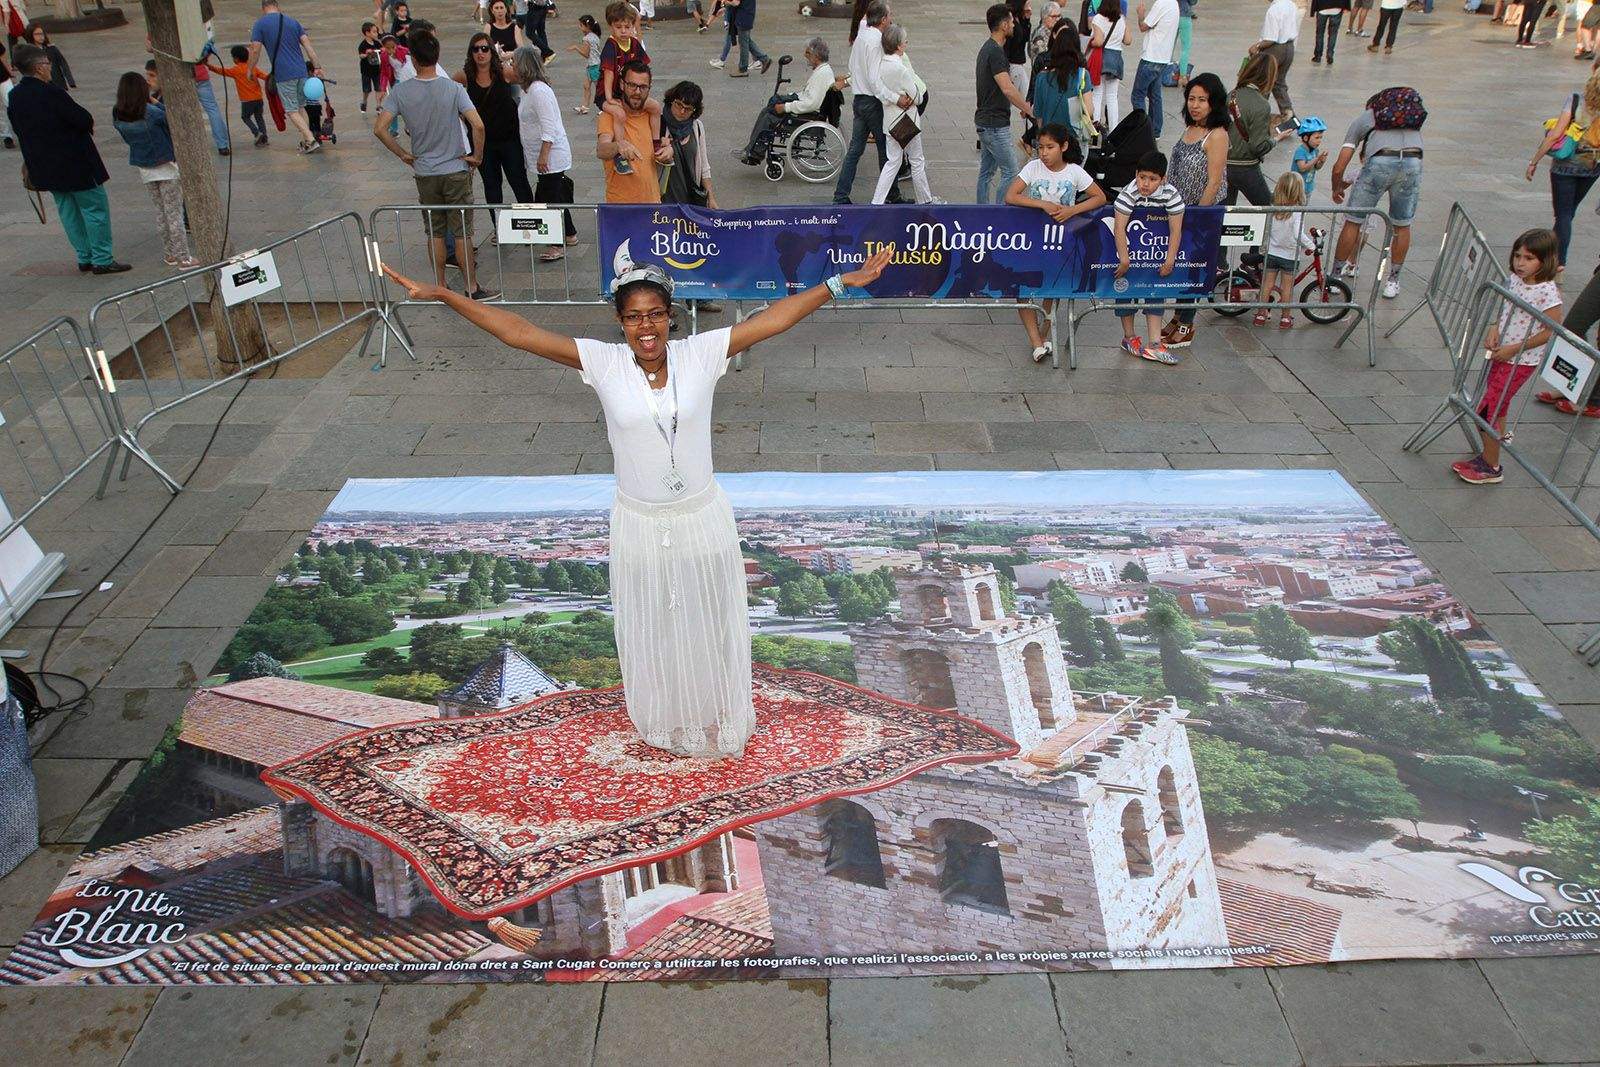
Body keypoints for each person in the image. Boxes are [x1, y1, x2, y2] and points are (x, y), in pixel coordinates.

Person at [380, 249, 894, 757]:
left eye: (654, 315)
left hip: (700, 518)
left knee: (706, 621)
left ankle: (715, 710)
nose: (645, 328)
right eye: (633, 318)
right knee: (655, 625)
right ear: (619, 322)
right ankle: (667, 717)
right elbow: (518, 332)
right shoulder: (602, 363)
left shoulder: (701, 353)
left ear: (671, 316)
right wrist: (445, 294)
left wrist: (839, 284)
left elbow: (775, 319)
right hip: (641, 522)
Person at [373, 29, 493, 299]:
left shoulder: (401, 92)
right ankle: (471, 286)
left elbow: (380, 128)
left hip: (425, 171)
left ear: (413, 59)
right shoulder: (452, 88)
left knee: (435, 232)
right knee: (462, 232)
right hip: (455, 169)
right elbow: (478, 125)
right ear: (436, 56)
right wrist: (477, 155)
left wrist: (403, 154)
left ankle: (440, 284)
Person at [1453, 229, 1563, 484]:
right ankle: (1487, 456)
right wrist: (1494, 328)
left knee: (1486, 410)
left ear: (1544, 261)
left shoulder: (1547, 292)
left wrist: (1516, 348)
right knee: (1497, 407)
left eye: (1528, 258)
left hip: (1520, 361)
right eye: (1517, 256)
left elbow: (1552, 330)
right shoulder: (1514, 280)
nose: (1520, 263)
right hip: (1502, 354)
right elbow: (1504, 308)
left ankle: (1492, 466)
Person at [6, 44, 128, 273]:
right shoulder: (52, 93)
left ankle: (84, 255)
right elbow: (82, 119)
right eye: (47, 63)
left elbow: (18, 128)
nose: (50, 67)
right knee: (94, 208)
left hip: (46, 166)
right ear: (40, 67)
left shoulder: (15, 96)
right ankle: (102, 258)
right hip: (76, 163)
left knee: (68, 211)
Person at [1006, 122, 1107, 361]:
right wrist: (1042, 204)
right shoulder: (1033, 168)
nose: (1044, 153)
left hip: (1063, 241)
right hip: (1032, 238)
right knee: (1022, 288)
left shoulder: (1074, 171)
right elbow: (1011, 195)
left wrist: (1073, 210)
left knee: (1054, 287)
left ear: (1063, 146)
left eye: (1049, 147)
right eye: (1040, 147)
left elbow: (1099, 197)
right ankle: (1035, 341)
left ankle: (1044, 333)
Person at [1330, 87, 1425, 297]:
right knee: (1402, 224)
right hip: (1413, 162)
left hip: (1380, 162)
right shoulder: (1410, 119)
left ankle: (1335, 277)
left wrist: (1337, 187)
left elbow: (1340, 165)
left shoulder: (1367, 117)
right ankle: (1393, 281)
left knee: (1353, 221)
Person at [1161, 70, 1228, 348]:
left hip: (1202, 212)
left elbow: (1213, 182)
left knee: (1193, 266)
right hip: (1180, 209)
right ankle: (1178, 317)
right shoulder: (1190, 129)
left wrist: (1198, 216)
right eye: (1192, 98)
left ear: (1214, 103)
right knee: (1181, 265)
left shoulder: (1217, 134)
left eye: (1202, 100)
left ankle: (1187, 324)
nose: (1195, 105)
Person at [110, 71, 198, 269]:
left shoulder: (118, 113)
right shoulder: (151, 112)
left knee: (161, 212)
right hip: (165, 165)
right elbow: (173, 119)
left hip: (144, 165)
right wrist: (156, 102)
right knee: (174, 212)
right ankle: (184, 257)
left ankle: (169, 254)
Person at [1114, 150, 1185, 364]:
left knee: (1156, 291)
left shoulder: (1171, 194)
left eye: (1153, 179)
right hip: (1128, 252)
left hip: (1155, 254)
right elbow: (1119, 228)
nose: (1145, 183)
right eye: (1142, 177)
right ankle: (1129, 337)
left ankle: (1154, 343)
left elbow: (1176, 230)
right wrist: (1124, 259)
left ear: (1163, 179)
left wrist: (1170, 259)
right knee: (1124, 292)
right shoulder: (1128, 193)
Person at [455, 32, 535, 211]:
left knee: (519, 182)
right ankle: (498, 229)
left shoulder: (504, 72)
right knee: (492, 187)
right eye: (475, 49)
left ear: (492, 51)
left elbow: (530, 79)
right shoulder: (464, 76)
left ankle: (532, 225)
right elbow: (447, 92)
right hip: (483, 143)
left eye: (484, 48)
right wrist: (460, 115)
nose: (480, 53)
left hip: (509, 139)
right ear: (471, 53)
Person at [1527, 71, 1600, 266]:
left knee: (1564, 214)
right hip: (1592, 167)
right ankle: (1554, 250)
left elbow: (1555, 134)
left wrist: (1534, 161)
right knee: (1568, 212)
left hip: (1564, 166)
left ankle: (1559, 262)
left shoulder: (1575, 100)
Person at [511, 46, 577, 260]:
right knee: (553, 194)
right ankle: (570, 233)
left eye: (514, 63)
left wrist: (543, 156)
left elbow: (550, 128)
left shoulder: (539, 91)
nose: (511, 66)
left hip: (550, 156)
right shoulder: (527, 89)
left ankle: (555, 244)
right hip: (541, 155)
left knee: (548, 198)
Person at [834, 1, 901, 204]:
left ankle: (840, 195)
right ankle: (891, 195)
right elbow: (875, 77)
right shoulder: (876, 41)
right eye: (889, 16)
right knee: (886, 150)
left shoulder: (862, 36)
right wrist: (894, 98)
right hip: (872, 102)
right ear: (882, 19)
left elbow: (853, 68)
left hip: (859, 100)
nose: (891, 19)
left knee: (855, 149)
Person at [741, 35, 833, 164]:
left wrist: (786, 107)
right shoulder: (822, 71)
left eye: (808, 53)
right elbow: (809, 96)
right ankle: (752, 149)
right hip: (806, 105)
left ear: (816, 56)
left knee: (768, 116)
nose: (805, 56)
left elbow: (811, 103)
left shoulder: (822, 74)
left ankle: (754, 153)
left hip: (808, 114)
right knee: (771, 104)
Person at [872, 24, 937, 204]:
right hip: (908, 121)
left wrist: (893, 98)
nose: (906, 43)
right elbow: (918, 97)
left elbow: (878, 89)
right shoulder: (901, 68)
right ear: (899, 46)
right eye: (905, 41)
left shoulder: (880, 64)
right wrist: (908, 96)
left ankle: (877, 202)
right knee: (917, 161)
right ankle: (925, 200)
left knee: (892, 162)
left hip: (890, 122)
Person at [976, 3, 1034, 204]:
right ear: (1003, 25)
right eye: (1011, 21)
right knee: (1011, 171)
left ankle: (981, 212)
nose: (1013, 24)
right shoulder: (995, 53)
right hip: (994, 124)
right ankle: (998, 215)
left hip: (985, 121)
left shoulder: (988, 48)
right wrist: (1028, 109)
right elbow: (1008, 88)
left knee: (986, 172)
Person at [250, 0, 322, 154]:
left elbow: (255, 51)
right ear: (277, 6)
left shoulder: (260, 24)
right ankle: (306, 142)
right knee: (301, 106)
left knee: (291, 110)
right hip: (301, 71)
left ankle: (310, 139)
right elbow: (308, 47)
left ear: (263, 8)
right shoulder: (292, 22)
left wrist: (250, 69)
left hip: (284, 74)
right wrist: (317, 67)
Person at [599, 2, 661, 174]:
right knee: (618, 114)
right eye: (619, 27)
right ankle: (620, 153)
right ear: (611, 26)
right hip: (605, 93)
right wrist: (609, 98)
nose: (623, 31)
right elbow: (609, 74)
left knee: (655, 107)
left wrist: (642, 91)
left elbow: (644, 67)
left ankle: (656, 145)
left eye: (627, 26)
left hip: (627, 91)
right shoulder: (610, 46)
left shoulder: (634, 43)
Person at [598, 59, 672, 203]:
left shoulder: (653, 116)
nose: (637, 92)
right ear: (621, 85)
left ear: (649, 88)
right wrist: (618, 145)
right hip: (622, 208)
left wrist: (669, 151)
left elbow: (666, 145)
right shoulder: (610, 116)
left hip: (653, 204)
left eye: (643, 87)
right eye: (632, 85)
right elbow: (601, 150)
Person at [1252, 172, 1314, 329]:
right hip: (1289, 256)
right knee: (1287, 288)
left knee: (1267, 285)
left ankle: (1260, 314)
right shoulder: (1297, 211)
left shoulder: (1274, 208)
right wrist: (1311, 245)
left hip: (1272, 252)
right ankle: (1285, 318)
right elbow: (1297, 234)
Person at [1224, 52, 1287, 206]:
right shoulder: (1261, 104)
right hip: (1246, 167)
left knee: (1224, 214)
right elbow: (1258, 146)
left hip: (1223, 165)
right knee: (1267, 209)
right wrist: (1275, 140)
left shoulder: (1231, 95)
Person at [1029, 24, 1093, 146]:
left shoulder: (1042, 77)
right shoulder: (1082, 75)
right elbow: (1089, 110)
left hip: (1050, 140)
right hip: (1074, 139)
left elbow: (1038, 114)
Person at [661, 80, 719, 208]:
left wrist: (711, 198)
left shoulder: (697, 127)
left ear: (694, 110)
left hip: (690, 202)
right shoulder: (658, 125)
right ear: (671, 100)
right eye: (678, 104)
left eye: (688, 109)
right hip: (663, 203)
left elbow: (704, 165)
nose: (682, 111)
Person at [1132, 0, 1179, 137]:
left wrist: (1140, 14)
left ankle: (1141, 130)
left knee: (1138, 96)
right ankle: (1155, 130)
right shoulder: (1174, 4)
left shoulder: (1161, 3)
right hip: (1163, 58)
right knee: (1155, 95)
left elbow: (1143, 26)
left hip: (1151, 57)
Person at [209, 44, 269, 147]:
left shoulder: (235, 70)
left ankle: (257, 133)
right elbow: (265, 77)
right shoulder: (253, 68)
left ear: (236, 58)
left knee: (245, 117)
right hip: (259, 98)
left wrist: (209, 66)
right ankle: (264, 138)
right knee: (259, 117)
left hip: (247, 101)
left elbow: (222, 71)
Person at [1248, 0, 1299, 121]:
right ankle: (1288, 113)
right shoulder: (1291, 4)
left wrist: (1256, 46)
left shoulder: (1274, 10)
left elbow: (1270, 39)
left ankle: (1258, 116)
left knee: (1264, 82)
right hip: (1289, 47)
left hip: (1275, 49)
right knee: (1279, 82)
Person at [1091, 0, 1130, 129]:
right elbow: (1128, 40)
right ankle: (1113, 129)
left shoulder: (1098, 19)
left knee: (1097, 94)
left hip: (1101, 58)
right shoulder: (1121, 19)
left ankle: (1095, 129)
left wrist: (1088, 43)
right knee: (1112, 97)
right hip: (1116, 59)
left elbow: (1098, 41)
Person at [728, 0, 773, 78]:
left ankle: (743, 69)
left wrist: (725, 2)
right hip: (748, 15)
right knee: (746, 40)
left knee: (743, 44)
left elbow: (736, 3)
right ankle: (764, 59)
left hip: (742, 17)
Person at [568, 13, 601, 113]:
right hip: (593, 65)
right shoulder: (595, 36)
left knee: (599, 87)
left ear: (587, 26)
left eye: (581, 25)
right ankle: (585, 107)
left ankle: (603, 107)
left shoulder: (586, 39)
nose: (580, 27)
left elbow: (586, 54)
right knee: (586, 86)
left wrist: (576, 47)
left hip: (593, 66)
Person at [22, 24, 70, 90]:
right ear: (30, 35)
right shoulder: (28, 52)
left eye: (42, 34)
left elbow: (63, 63)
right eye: (37, 34)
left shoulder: (52, 49)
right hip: (39, 85)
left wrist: (70, 80)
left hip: (57, 83)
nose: (41, 37)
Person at [1005, 0, 1033, 99]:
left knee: (1026, 99)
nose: (1030, 5)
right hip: (1012, 65)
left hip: (1018, 64)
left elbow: (1025, 38)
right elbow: (1007, 45)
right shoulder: (1010, 21)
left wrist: (1027, 19)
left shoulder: (1019, 18)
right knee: (1010, 99)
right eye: (1027, 2)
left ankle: (1027, 112)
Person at [1293, 115, 1327, 197]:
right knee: (1296, 209)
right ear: (1305, 138)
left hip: (1308, 187)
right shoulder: (1300, 151)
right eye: (1317, 138)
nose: (1319, 141)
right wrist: (1316, 159)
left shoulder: (1315, 150)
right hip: (1297, 189)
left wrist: (1322, 161)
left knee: (1304, 208)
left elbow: (1317, 167)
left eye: (1321, 138)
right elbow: (1302, 168)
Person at [358, 21, 384, 113]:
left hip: (377, 70)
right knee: (366, 90)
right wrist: (366, 53)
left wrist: (383, 50)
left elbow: (382, 50)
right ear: (367, 33)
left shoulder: (377, 43)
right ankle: (364, 102)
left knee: (378, 88)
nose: (376, 34)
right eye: (374, 32)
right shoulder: (363, 45)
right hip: (366, 71)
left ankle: (378, 105)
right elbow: (361, 55)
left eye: (376, 31)